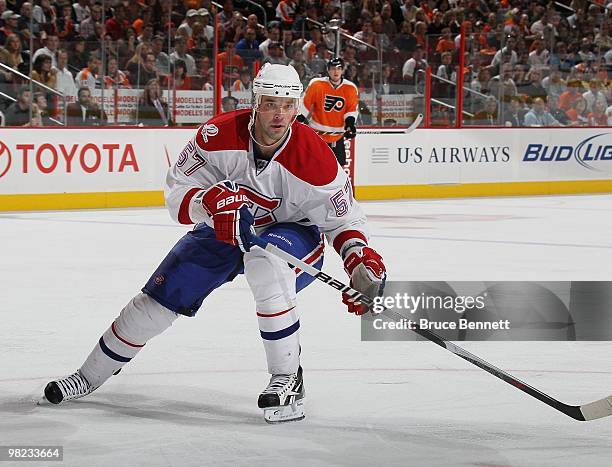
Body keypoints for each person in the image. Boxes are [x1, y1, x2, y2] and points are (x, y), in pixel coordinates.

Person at [43, 64, 386, 424]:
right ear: (255, 102)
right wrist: (208, 203)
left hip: (293, 232)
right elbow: (177, 192)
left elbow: (343, 221)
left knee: (265, 266)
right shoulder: (216, 135)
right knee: (158, 299)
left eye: (287, 105)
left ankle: (287, 377)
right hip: (225, 226)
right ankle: (88, 375)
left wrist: (359, 261)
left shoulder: (316, 159)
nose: (279, 115)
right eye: (270, 104)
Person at [299, 58, 358, 166]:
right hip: (317, 135)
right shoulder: (316, 84)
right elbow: (305, 103)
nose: (336, 71)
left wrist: (350, 124)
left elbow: (351, 109)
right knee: (314, 166)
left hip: (337, 136)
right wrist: (300, 118)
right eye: (333, 69)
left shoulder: (350, 88)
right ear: (328, 70)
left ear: (343, 70)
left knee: (338, 168)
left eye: (339, 68)